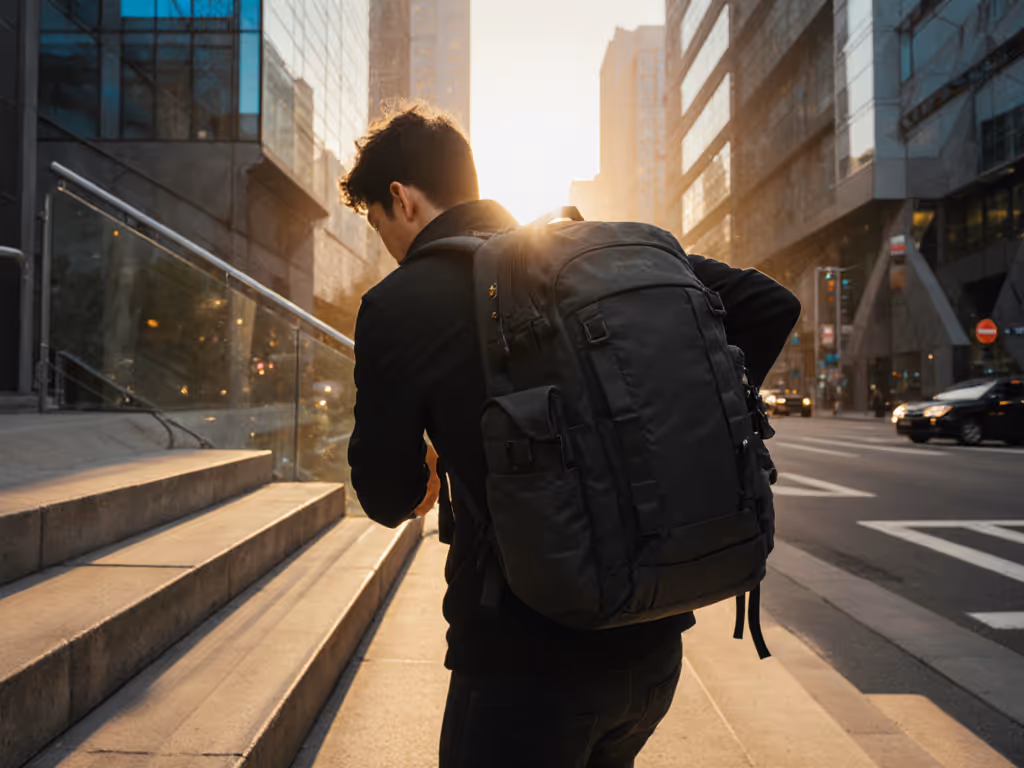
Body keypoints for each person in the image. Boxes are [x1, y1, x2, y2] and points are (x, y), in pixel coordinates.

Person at [341, 104, 800, 768]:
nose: (385, 240)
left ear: (401, 199)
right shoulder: (584, 259)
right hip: (652, 650)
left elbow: (387, 496)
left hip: (521, 671)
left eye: (378, 222)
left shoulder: (400, 302)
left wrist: (431, 470)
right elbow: (769, 306)